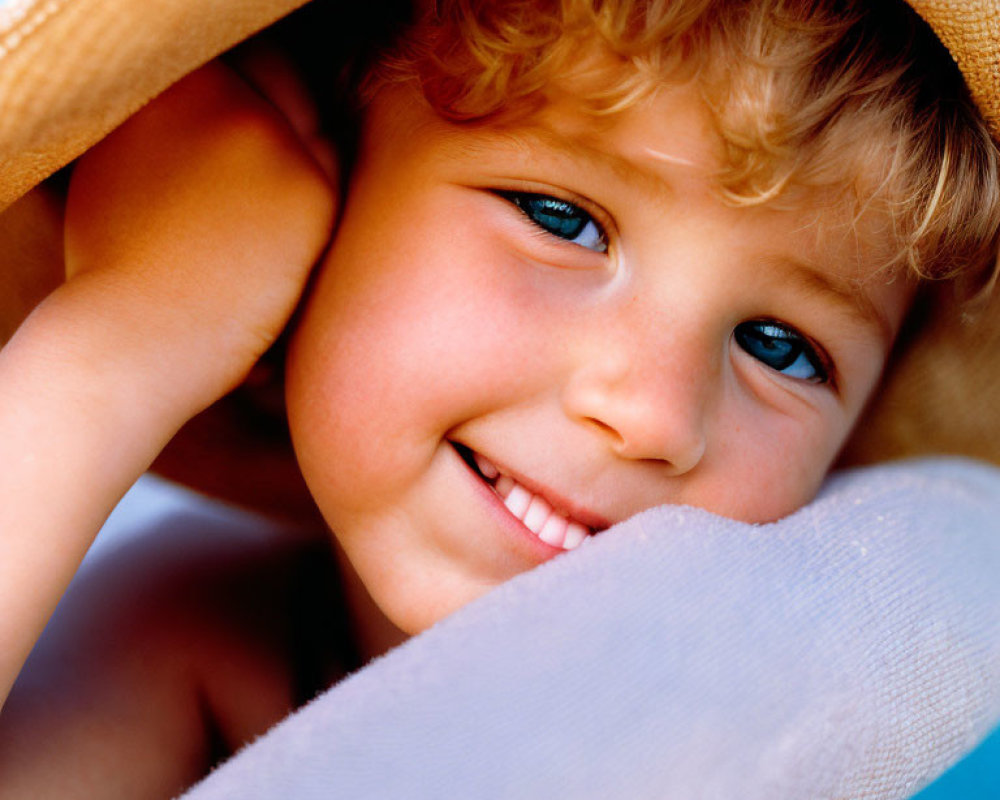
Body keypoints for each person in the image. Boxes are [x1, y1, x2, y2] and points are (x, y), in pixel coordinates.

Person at [1, 0, 998, 795]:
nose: (651, 412)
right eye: (562, 218)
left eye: (778, 347)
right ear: (324, 188)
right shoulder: (201, 636)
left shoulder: (869, 687)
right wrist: (120, 344)